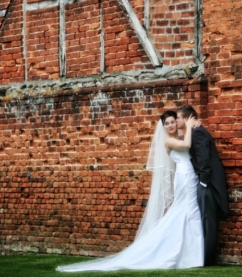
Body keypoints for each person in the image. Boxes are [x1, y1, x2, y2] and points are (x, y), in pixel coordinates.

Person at [56, 110, 204, 272]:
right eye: (166, 123)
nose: (170, 125)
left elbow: (188, 140)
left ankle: (189, 255)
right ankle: (190, 256)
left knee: (188, 210)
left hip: (189, 175)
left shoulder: (181, 136)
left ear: (177, 122)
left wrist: (193, 124)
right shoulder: (169, 142)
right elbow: (187, 145)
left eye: (172, 122)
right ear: (163, 126)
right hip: (183, 177)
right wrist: (189, 126)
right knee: (189, 209)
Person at [176, 104, 229, 266]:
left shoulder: (197, 133)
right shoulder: (193, 132)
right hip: (204, 182)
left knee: (208, 222)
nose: (176, 120)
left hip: (208, 184)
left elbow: (204, 159)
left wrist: (203, 182)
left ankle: (207, 260)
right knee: (205, 221)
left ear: (185, 118)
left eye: (178, 117)